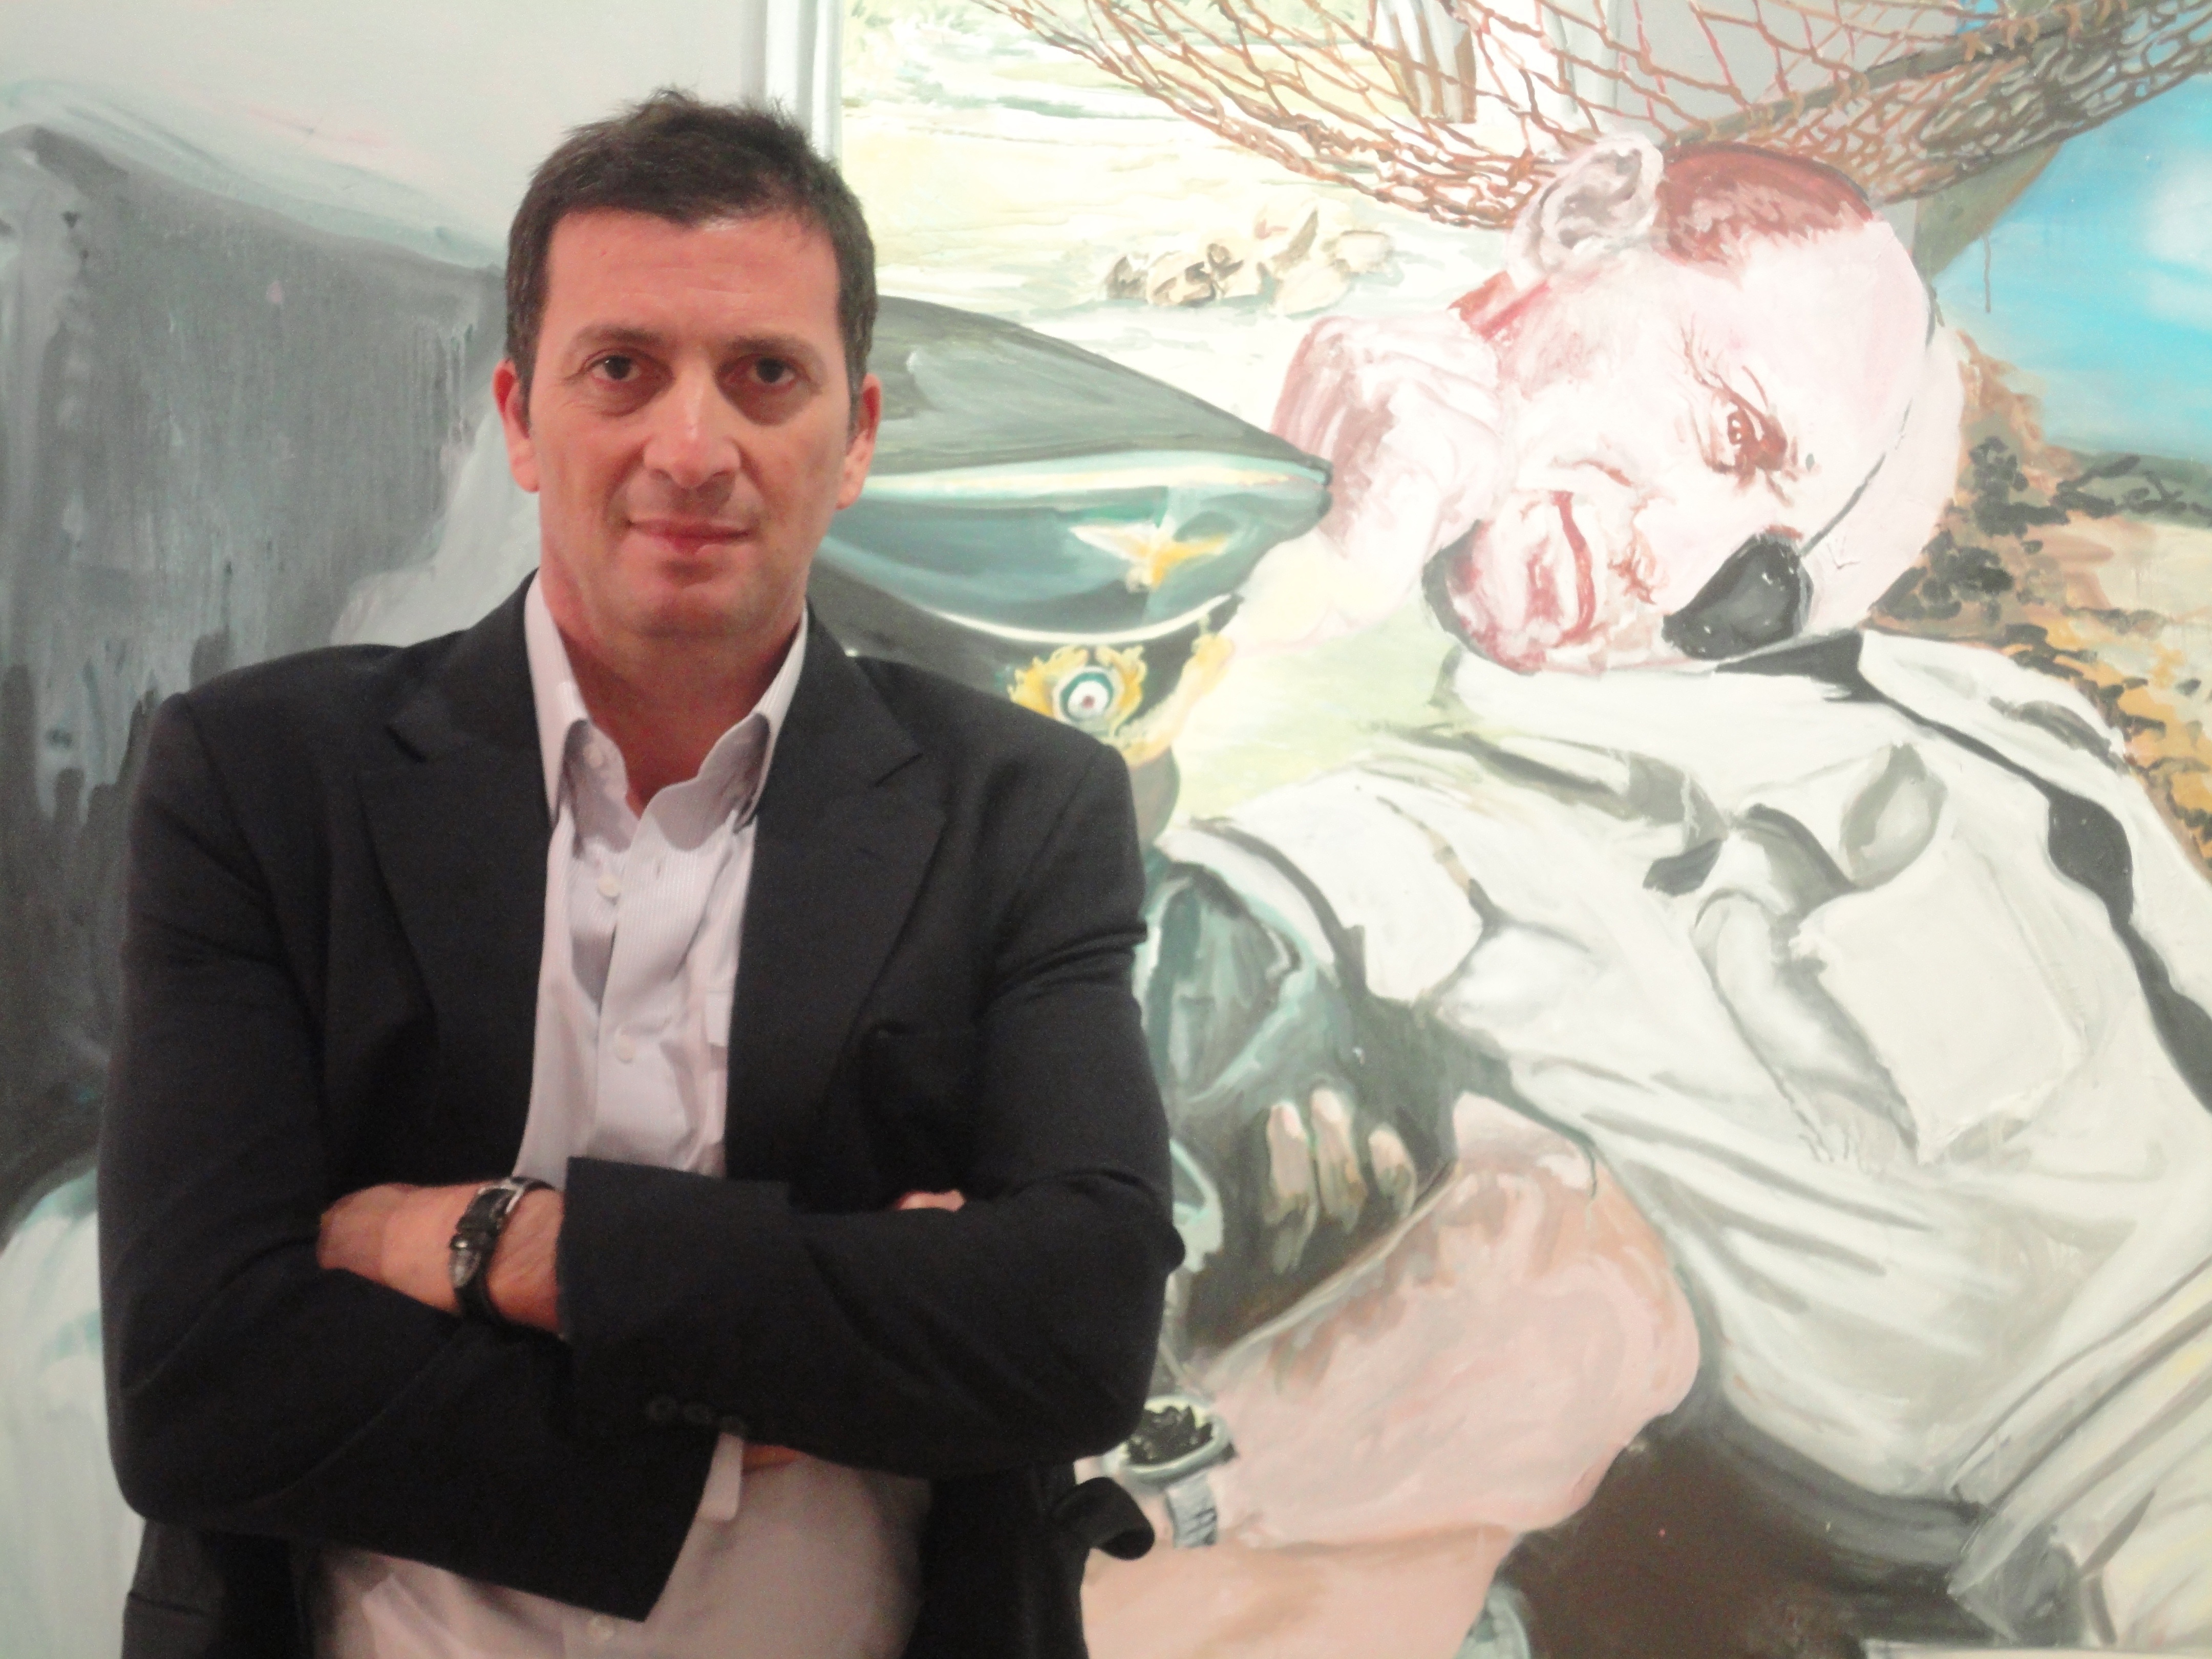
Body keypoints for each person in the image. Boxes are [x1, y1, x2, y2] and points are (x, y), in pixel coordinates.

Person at [96, 91, 1182, 1659]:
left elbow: (1077, 1331)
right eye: (621, 369)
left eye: (765, 376)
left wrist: (498, 1250)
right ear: (520, 419)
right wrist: (784, 1381)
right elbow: (199, 1385)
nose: (692, 447)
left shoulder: (1021, 812)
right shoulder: (266, 782)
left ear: (857, 435)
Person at [1105, 135, 2212, 1655]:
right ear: (1580, 216)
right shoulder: (1438, 842)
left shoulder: (2009, 733)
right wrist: (1296, 587)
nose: (1683, 569)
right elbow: (1063, 959)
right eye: (1733, 427)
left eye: (1772, 578)